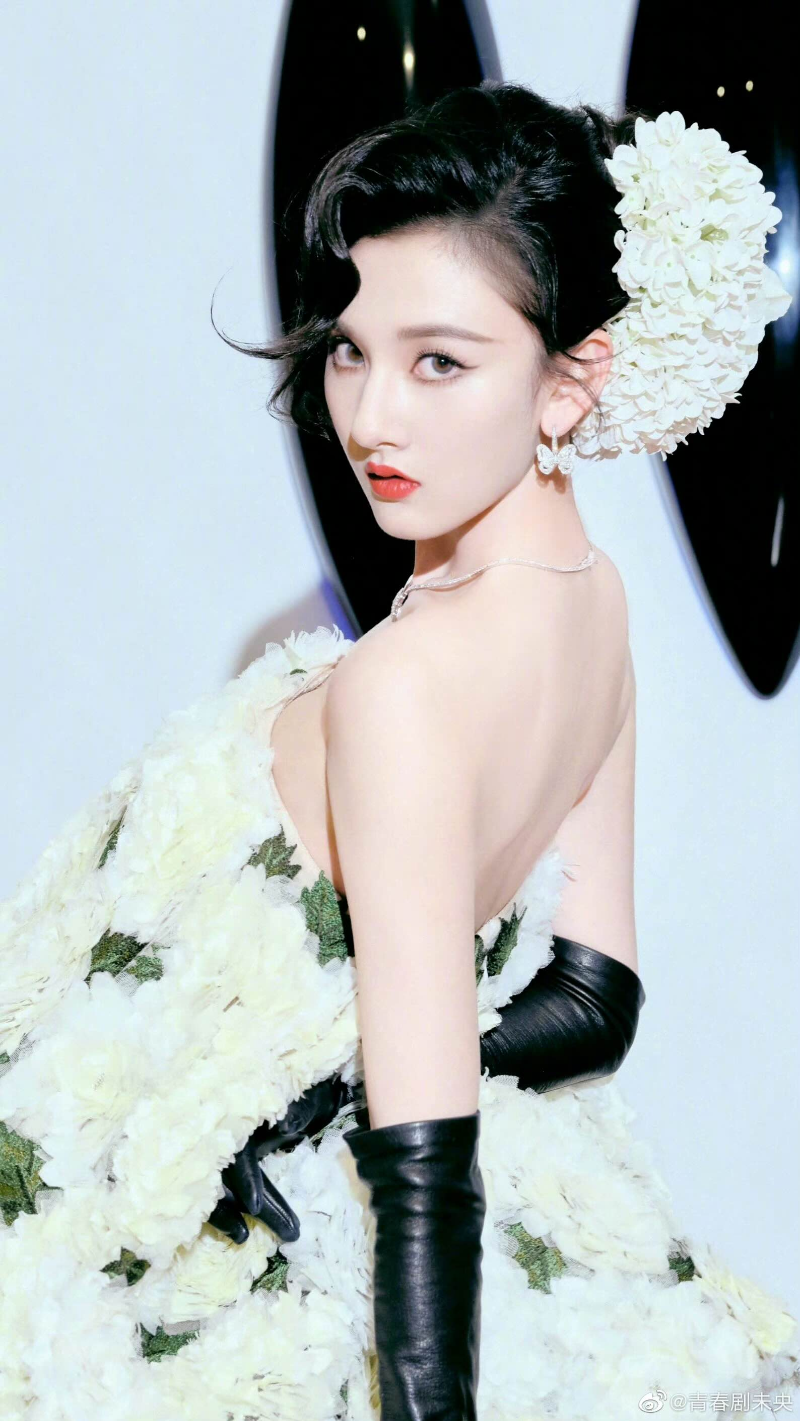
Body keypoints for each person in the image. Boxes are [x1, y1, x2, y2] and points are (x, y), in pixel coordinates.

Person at [0, 82, 796, 1421]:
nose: (371, 416)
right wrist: (316, 1088)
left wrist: (292, 1117)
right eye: (351, 350)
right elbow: (595, 995)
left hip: (117, 1237)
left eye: (440, 362)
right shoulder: (593, 604)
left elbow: (427, 1150)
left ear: (569, 380)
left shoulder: (408, 684)